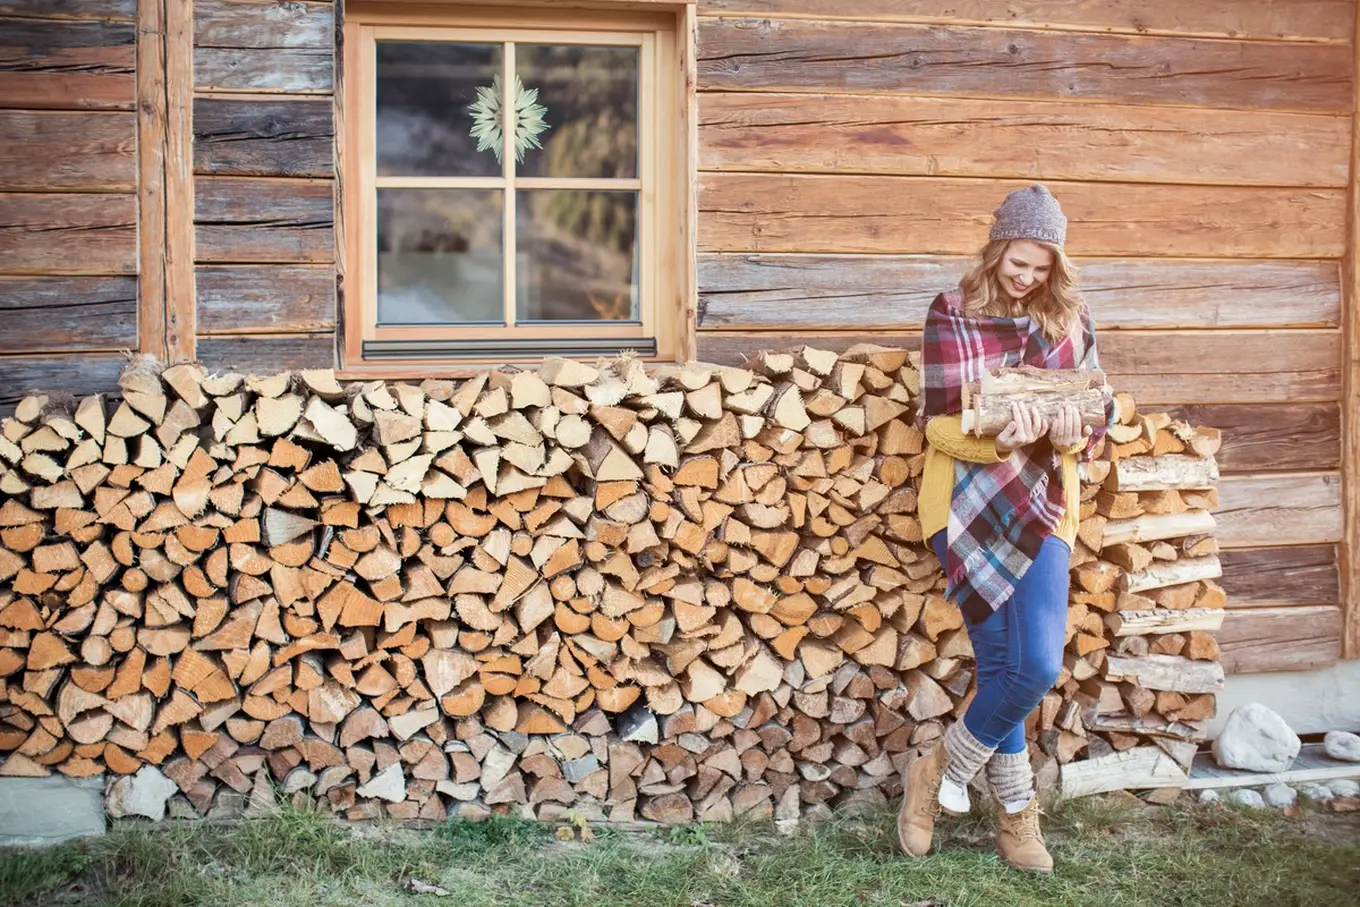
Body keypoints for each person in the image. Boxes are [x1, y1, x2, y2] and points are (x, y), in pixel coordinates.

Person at [896, 184, 1110, 873]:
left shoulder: (1072, 321)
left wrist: (1072, 435)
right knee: (1001, 668)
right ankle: (1019, 819)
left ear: (1057, 267)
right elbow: (936, 423)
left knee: (1036, 663)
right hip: (963, 504)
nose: (1027, 277)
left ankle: (935, 771)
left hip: (1044, 504)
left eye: (1041, 267)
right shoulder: (952, 312)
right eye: (1018, 262)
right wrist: (998, 442)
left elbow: (1095, 419)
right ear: (996, 251)